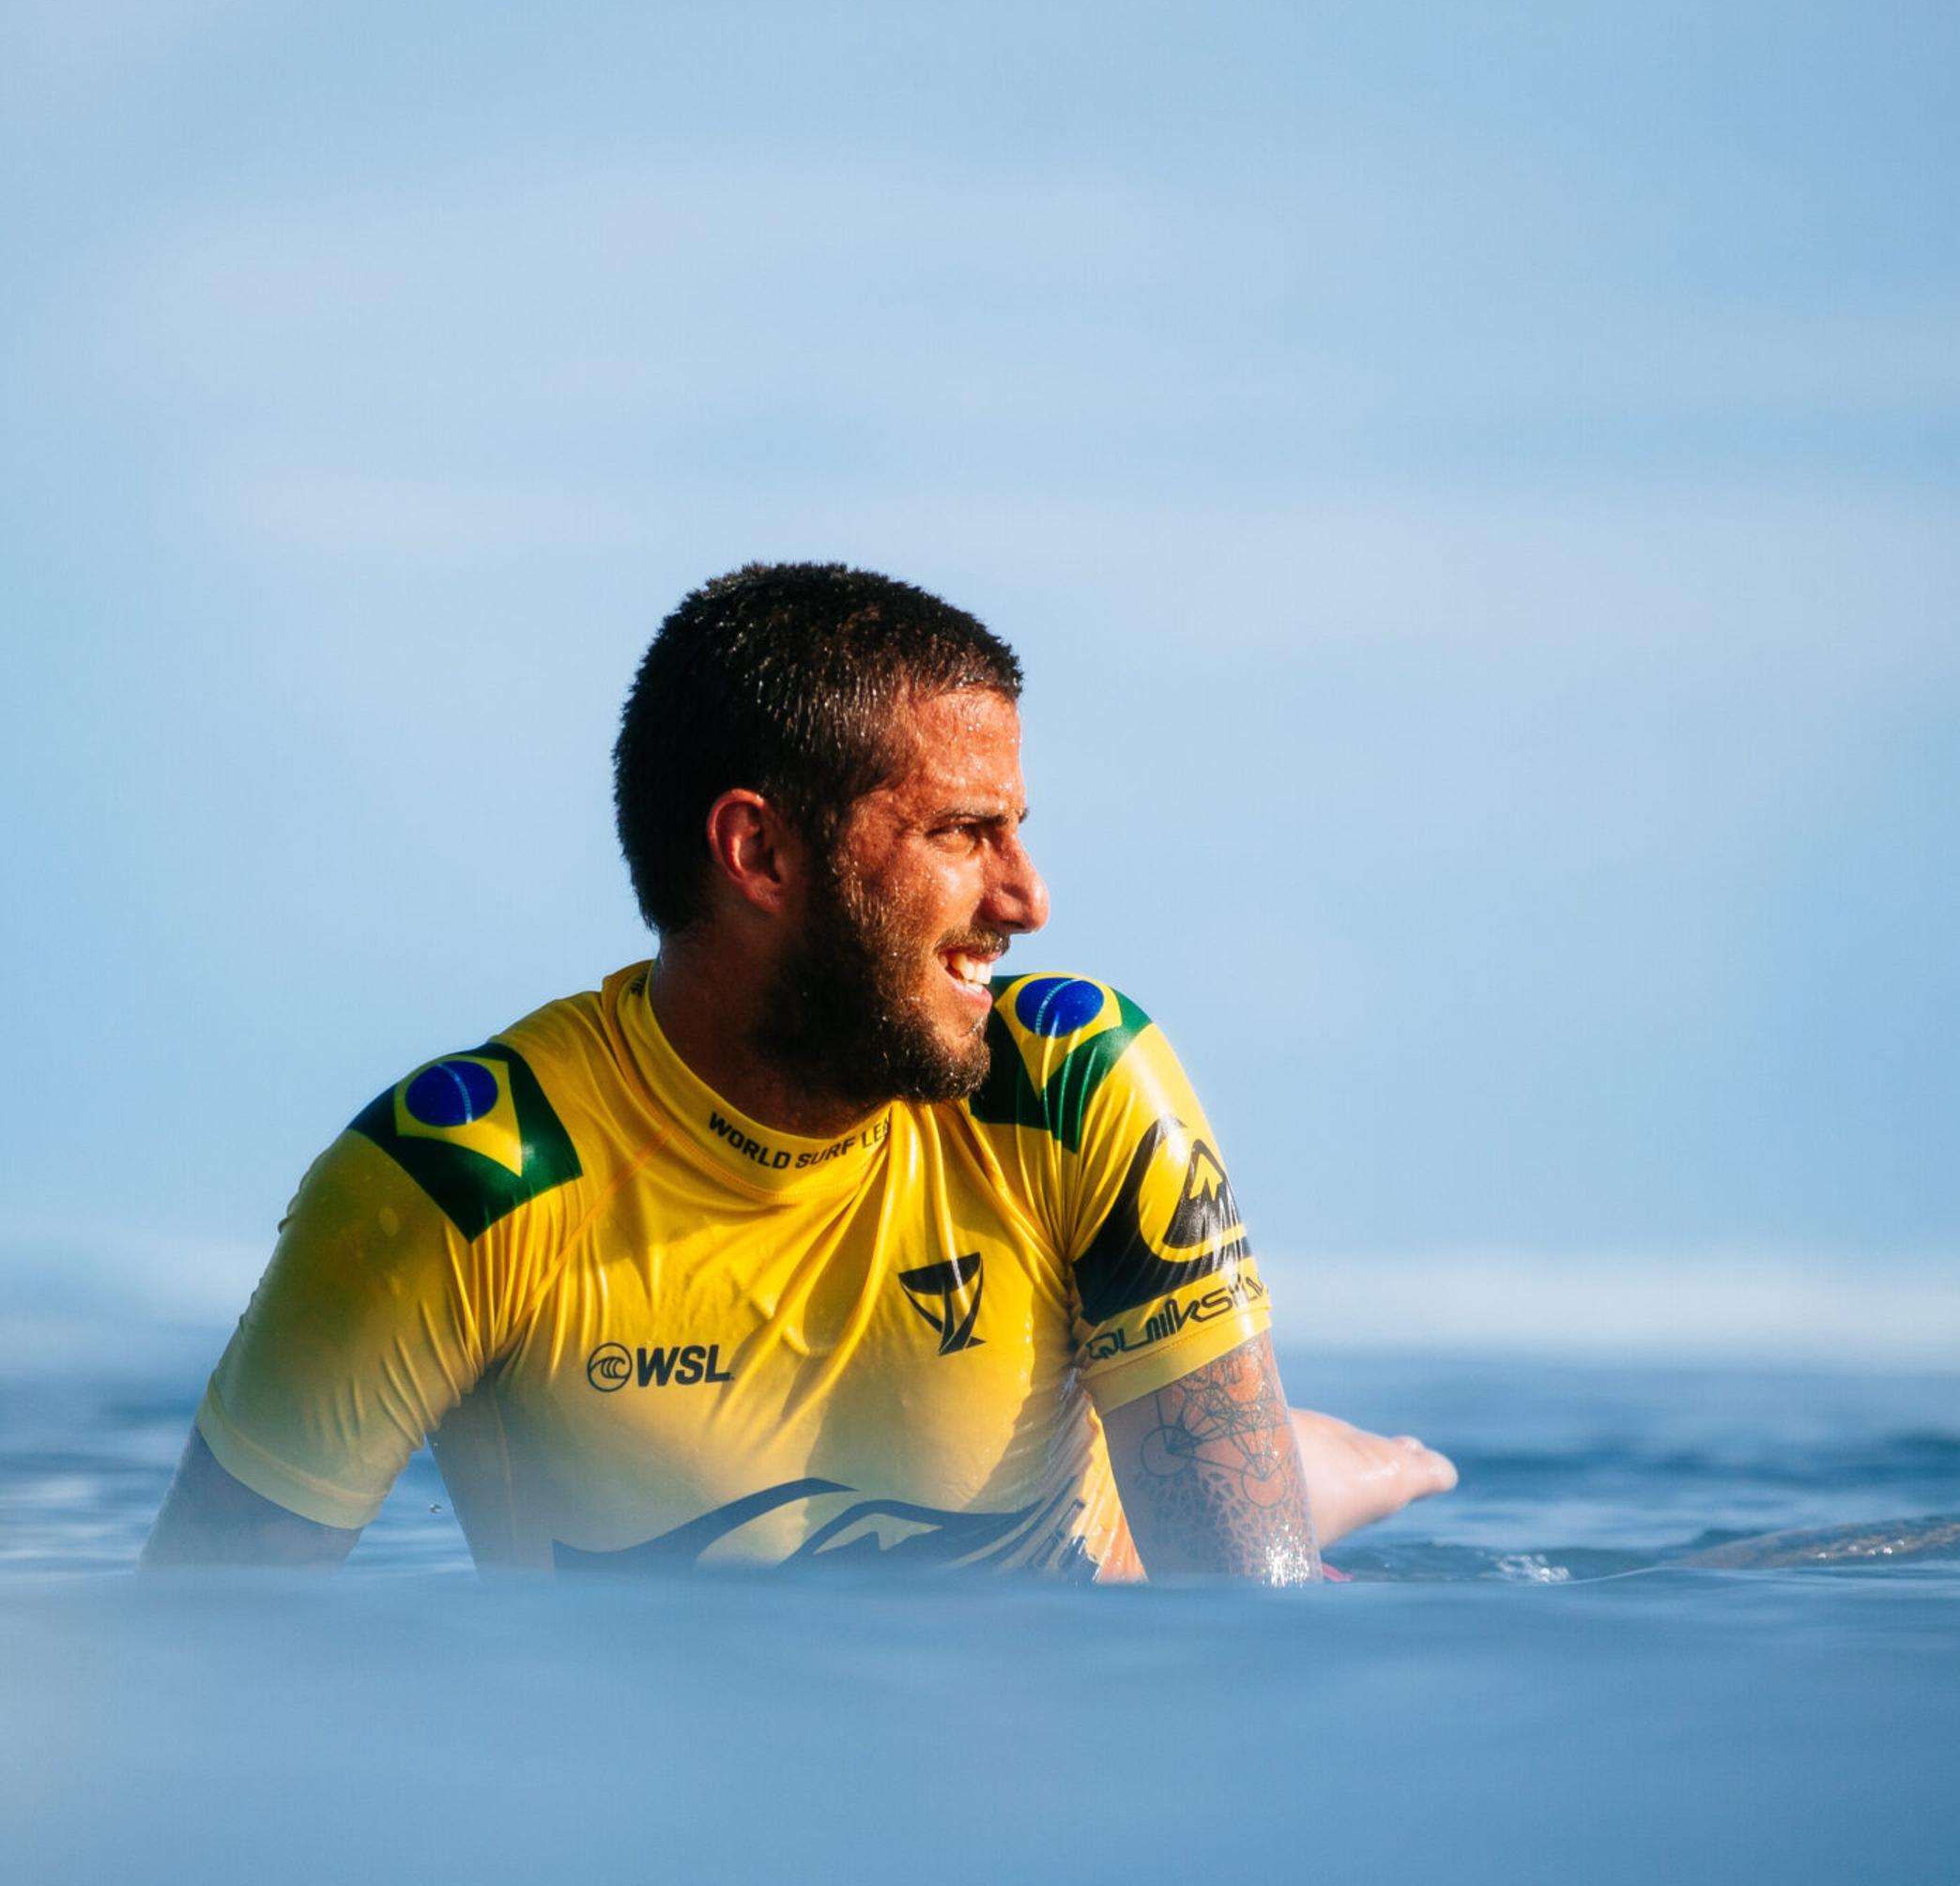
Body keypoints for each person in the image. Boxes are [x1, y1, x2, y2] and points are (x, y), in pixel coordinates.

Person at [143, 563, 1455, 1581]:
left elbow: (1254, 1636)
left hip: (1062, 1650)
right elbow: (194, 1666)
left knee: (1315, 1489)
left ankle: (1353, 1459)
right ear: (760, 855)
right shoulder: (455, 1192)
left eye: (1020, 832)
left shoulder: (1066, 1081)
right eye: (964, 832)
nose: (1030, 898)